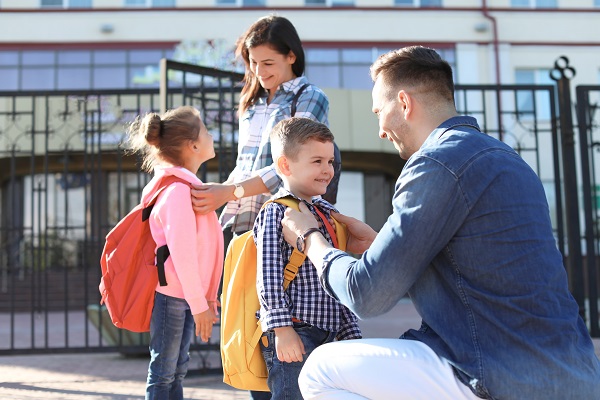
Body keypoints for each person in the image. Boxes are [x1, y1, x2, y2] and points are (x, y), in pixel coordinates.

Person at [280, 46, 600, 399]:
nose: (381, 131)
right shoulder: (508, 159)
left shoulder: (435, 162)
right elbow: (485, 260)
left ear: (404, 103)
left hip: (493, 372)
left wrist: (310, 239)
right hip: (575, 374)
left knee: (320, 370)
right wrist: (379, 243)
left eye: (378, 112)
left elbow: (366, 295)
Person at [190, 15, 336, 399]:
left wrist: (230, 192)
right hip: (243, 222)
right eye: (253, 63)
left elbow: (287, 164)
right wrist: (223, 201)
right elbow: (245, 160)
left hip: (285, 221)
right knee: (249, 324)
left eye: (268, 62)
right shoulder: (252, 101)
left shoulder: (309, 96)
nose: (259, 71)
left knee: (285, 319)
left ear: (291, 56)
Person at [255, 117, 361, 400]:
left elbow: (336, 271)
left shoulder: (328, 214)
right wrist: (282, 329)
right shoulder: (275, 212)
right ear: (285, 165)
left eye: (330, 162)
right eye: (317, 161)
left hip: (330, 331)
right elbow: (268, 276)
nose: (327, 170)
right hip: (296, 331)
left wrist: (349, 327)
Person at [125, 106, 224, 400]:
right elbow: (181, 253)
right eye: (206, 130)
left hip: (183, 296)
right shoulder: (178, 192)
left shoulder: (185, 188)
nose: (211, 135)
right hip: (173, 297)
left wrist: (205, 299)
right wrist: (199, 304)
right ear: (193, 145)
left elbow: (201, 250)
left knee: (176, 370)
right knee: (164, 372)